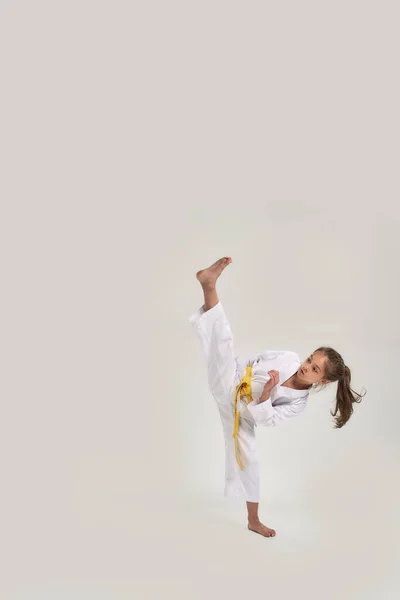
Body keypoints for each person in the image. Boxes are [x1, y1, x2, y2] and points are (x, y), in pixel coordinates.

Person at [189, 256, 365, 538]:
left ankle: (253, 520)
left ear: (323, 381)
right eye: (310, 358)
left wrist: (268, 393)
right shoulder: (288, 358)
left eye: (314, 369)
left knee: (252, 462)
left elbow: (268, 420)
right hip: (229, 382)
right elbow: (258, 358)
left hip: (242, 413)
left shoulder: (298, 402)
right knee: (223, 342)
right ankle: (208, 285)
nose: (306, 366)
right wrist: (244, 372)